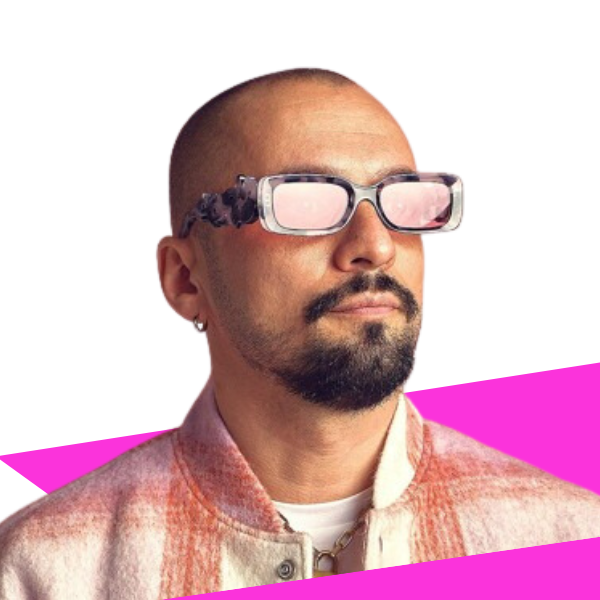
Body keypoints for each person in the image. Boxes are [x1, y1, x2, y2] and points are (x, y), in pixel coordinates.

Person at [1, 67, 599, 598]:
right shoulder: (37, 570)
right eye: (306, 203)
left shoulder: (572, 542)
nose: (376, 246)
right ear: (184, 278)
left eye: (404, 200)